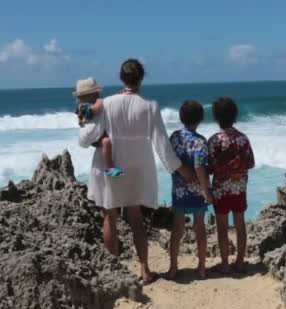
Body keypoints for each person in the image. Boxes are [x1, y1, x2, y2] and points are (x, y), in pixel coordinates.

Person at [79, 59, 195, 284]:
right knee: (136, 218)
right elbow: (162, 144)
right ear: (141, 78)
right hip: (137, 168)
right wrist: (180, 169)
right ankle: (144, 270)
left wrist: (85, 125)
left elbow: (87, 139)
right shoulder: (150, 106)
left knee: (109, 217)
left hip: (110, 167)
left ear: (121, 78)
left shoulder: (106, 104)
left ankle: (114, 271)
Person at [208, 97, 255, 274]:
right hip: (239, 188)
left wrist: (224, 164)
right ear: (235, 116)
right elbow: (251, 163)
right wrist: (237, 163)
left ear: (216, 118)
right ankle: (241, 261)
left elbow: (211, 168)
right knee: (240, 223)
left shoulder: (214, 140)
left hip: (220, 190)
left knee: (221, 226)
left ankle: (225, 264)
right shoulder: (243, 139)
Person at [166, 100, 212, 280]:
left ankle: (173, 268)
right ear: (200, 119)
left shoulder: (174, 137)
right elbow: (200, 167)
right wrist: (206, 190)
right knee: (199, 228)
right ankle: (201, 267)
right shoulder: (200, 142)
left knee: (177, 230)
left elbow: (168, 158)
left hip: (178, 191)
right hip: (197, 193)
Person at [73, 77, 123, 177]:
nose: (98, 95)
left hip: (96, 134)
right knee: (106, 142)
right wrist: (102, 101)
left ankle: (110, 165)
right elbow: (97, 108)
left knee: (107, 142)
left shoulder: (84, 106)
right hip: (94, 136)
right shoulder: (84, 106)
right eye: (95, 93)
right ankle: (110, 168)